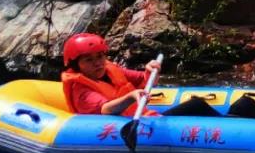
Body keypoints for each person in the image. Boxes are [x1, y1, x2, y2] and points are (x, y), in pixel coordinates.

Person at [61, 33, 219, 117]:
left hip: (145, 118)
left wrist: (150, 71)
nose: (98, 63)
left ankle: (237, 117)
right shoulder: (81, 90)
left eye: (100, 57)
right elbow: (106, 109)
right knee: (195, 106)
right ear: (76, 65)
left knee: (199, 105)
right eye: (89, 60)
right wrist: (131, 96)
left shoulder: (111, 70)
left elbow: (145, 81)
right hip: (130, 125)